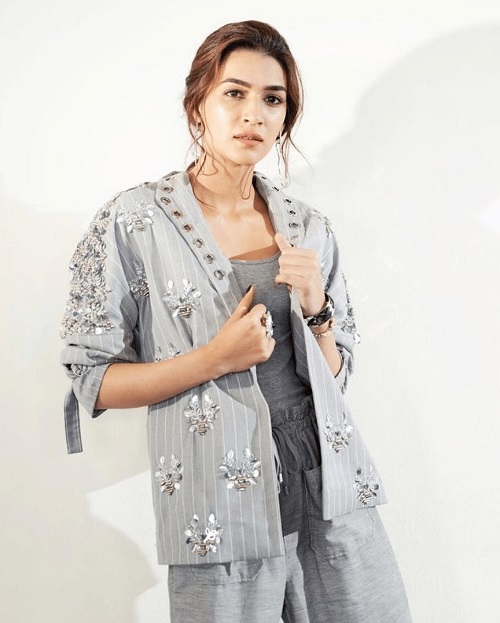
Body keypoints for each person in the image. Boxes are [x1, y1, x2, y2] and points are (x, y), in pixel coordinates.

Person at [60, 20, 412, 623]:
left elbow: (335, 378)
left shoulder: (307, 226)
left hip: (327, 479)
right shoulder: (134, 222)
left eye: (273, 99)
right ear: (198, 102)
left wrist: (318, 310)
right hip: (217, 493)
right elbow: (92, 379)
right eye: (234, 93)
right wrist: (215, 359)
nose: (254, 114)